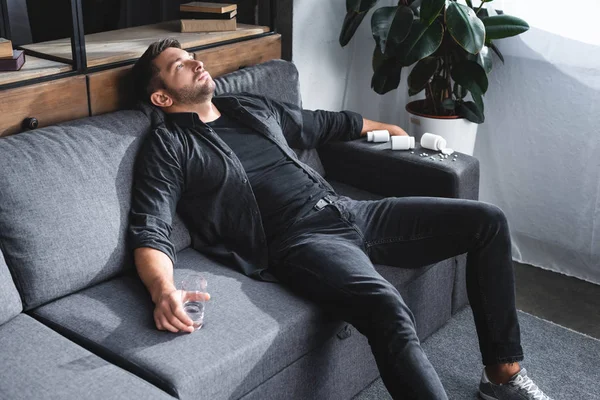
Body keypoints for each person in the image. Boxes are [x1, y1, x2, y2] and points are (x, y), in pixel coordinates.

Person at [128, 38, 553, 400]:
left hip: (350, 211)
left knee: (487, 221)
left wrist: (384, 126)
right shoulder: (170, 145)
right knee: (387, 307)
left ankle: (502, 376)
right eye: (179, 66)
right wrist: (163, 289)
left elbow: (320, 124)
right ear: (163, 97)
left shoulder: (245, 107)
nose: (196, 62)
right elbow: (151, 226)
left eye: (191, 56)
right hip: (300, 242)